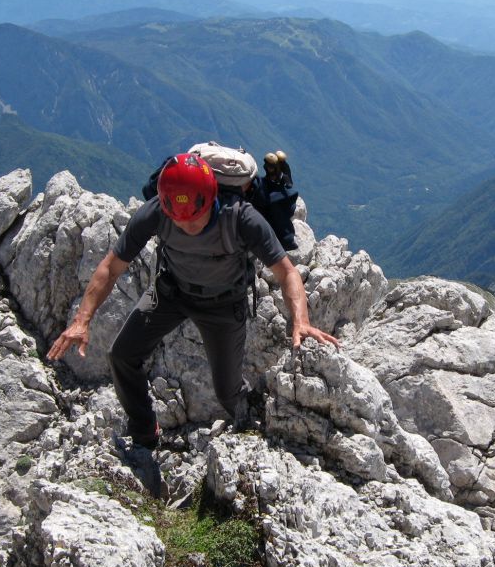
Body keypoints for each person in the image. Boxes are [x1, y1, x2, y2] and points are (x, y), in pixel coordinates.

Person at [46, 153, 339, 448]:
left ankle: (252, 430)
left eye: (195, 218)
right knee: (121, 355)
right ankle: (145, 431)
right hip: (171, 291)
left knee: (227, 392)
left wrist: (301, 321)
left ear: (211, 197)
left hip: (224, 305)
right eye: (178, 218)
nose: (187, 226)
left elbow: (287, 272)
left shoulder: (241, 217)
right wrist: (81, 321)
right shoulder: (156, 212)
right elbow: (110, 267)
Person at [248, 150, 299, 250]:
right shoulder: (281, 169)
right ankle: (284, 241)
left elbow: (288, 183)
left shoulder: (280, 171)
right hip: (273, 192)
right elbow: (289, 185)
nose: (269, 168)